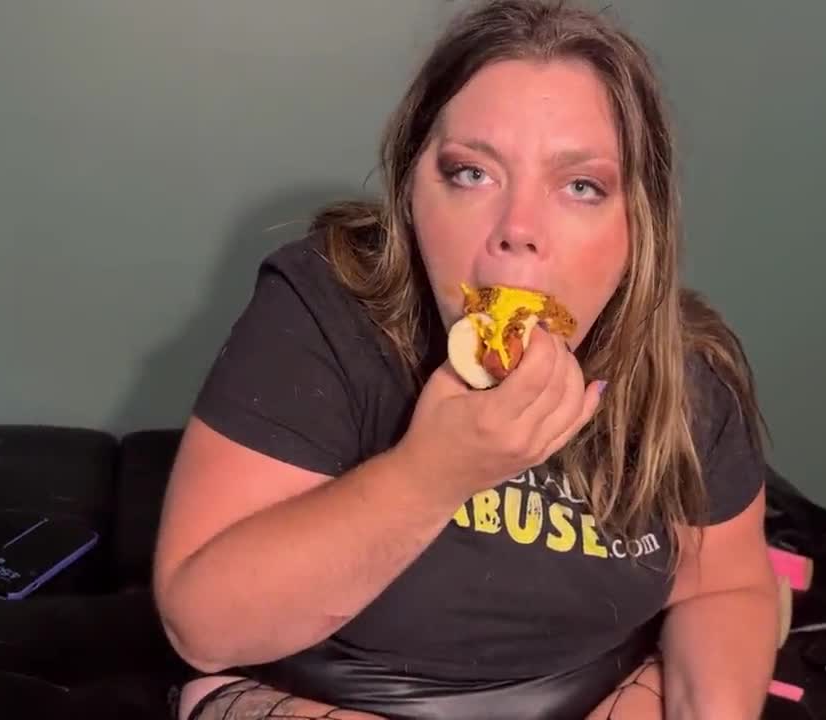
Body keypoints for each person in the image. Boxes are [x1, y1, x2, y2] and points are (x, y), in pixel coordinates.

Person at [152, 1, 782, 718]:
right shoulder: (324, 305)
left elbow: (726, 585)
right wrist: (433, 473)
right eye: (472, 174)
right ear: (410, 194)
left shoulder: (688, 369)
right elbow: (205, 628)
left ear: (642, 224)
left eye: (581, 186)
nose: (518, 231)